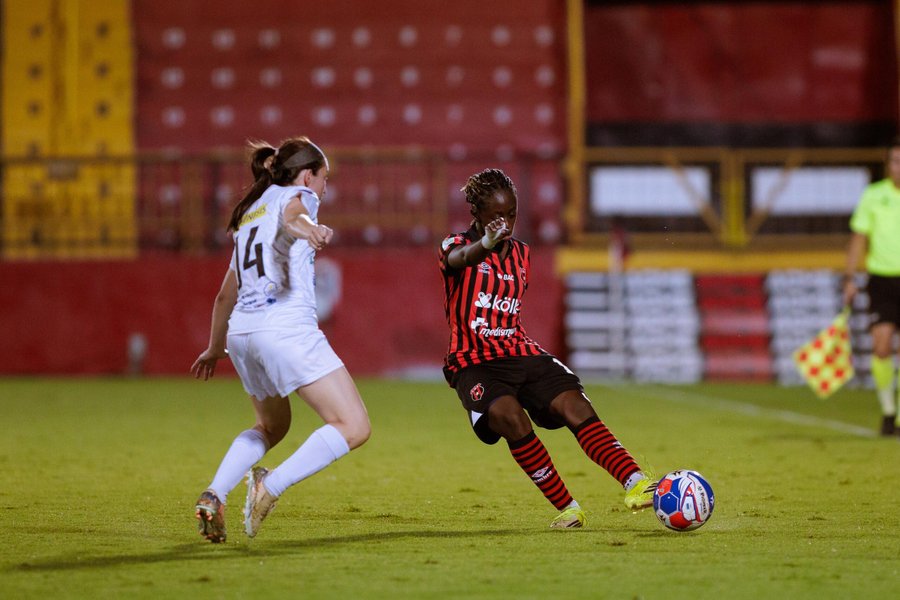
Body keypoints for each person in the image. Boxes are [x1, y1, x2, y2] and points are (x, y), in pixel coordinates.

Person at [438, 168, 657, 529]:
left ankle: (637, 483)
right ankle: (568, 507)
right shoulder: (454, 246)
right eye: (496, 215)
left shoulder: (522, 254)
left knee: (575, 404)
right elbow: (460, 261)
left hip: (519, 350)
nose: (504, 222)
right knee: (510, 417)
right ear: (476, 213)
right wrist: (487, 244)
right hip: (474, 361)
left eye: (511, 213)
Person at [191, 137, 370, 543]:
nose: (324, 189)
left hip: (242, 334)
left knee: (272, 426)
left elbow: (225, 295)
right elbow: (295, 215)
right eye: (325, 179)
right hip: (284, 330)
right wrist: (311, 229)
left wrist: (215, 347)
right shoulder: (298, 195)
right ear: (308, 175)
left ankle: (215, 493)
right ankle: (269, 486)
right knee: (354, 425)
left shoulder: (250, 213)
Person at [843, 136, 900, 436]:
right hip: (881, 280)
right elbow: (858, 238)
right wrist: (850, 278)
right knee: (881, 347)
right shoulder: (873, 195)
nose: (898, 167)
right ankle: (889, 412)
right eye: (894, 161)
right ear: (888, 164)